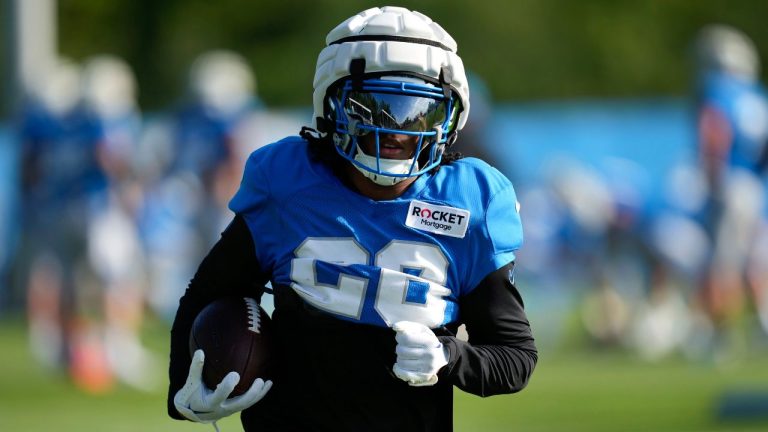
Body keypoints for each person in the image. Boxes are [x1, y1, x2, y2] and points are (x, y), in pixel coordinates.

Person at [167, 6, 538, 431]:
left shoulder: (469, 201)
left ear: (451, 120)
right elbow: (208, 293)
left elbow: (515, 357)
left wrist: (450, 357)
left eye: (421, 113)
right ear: (333, 106)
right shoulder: (288, 184)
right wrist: (184, 388)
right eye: (377, 108)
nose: (398, 131)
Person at [691, 24, 768, 360]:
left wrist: (712, 179)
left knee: (723, 263)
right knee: (753, 262)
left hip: (731, 184)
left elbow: (714, 133)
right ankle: (761, 324)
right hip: (754, 186)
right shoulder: (756, 95)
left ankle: (720, 338)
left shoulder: (718, 91)